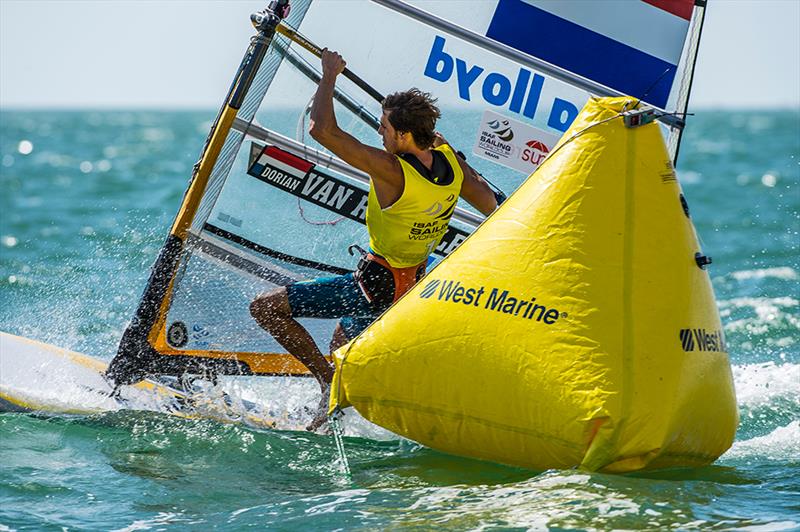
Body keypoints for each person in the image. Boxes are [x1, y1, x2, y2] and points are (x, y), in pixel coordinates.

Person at [250, 49, 499, 430]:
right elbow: (489, 203)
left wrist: (329, 74)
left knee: (265, 308)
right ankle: (331, 408)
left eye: (383, 128)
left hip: (376, 286)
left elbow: (322, 130)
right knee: (339, 345)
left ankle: (325, 381)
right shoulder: (450, 161)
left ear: (403, 134)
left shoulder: (391, 171)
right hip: (415, 284)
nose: (379, 133)